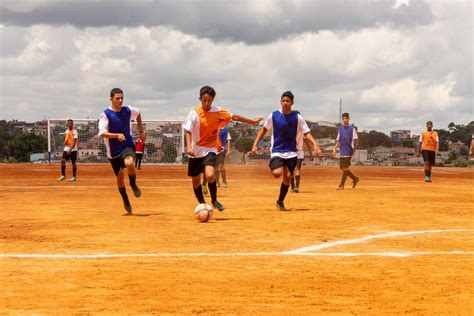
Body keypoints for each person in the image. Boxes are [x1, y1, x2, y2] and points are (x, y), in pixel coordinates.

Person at [183, 85, 262, 211]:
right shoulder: (194, 114)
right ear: (199, 99)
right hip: (195, 150)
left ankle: (214, 200)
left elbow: (234, 117)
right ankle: (202, 204)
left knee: (210, 175)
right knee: (196, 180)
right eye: (204, 100)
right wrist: (189, 148)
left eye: (210, 100)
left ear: (213, 100)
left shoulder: (218, 111)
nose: (207, 103)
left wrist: (252, 121)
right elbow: (188, 132)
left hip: (210, 149)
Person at [252, 91, 321, 211]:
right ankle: (276, 165)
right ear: (280, 102)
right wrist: (255, 144)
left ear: (292, 103)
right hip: (277, 151)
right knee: (277, 174)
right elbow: (263, 130)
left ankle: (280, 201)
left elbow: (306, 132)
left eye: (287, 101)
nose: (285, 103)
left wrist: (315, 144)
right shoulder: (273, 115)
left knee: (288, 177)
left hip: (291, 152)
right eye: (283, 101)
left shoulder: (297, 117)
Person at [98, 88, 145, 214]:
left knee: (130, 163)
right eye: (117, 98)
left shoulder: (128, 110)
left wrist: (141, 131)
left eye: (122, 98)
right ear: (111, 99)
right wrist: (116, 135)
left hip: (127, 145)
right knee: (119, 177)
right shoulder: (106, 114)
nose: (120, 100)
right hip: (113, 152)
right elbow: (102, 133)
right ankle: (125, 199)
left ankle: (133, 183)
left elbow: (139, 113)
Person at [332, 113, 359, 190]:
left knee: (345, 167)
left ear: (348, 119)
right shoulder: (340, 129)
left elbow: (355, 140)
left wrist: (354, 149)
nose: (344, 120)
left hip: (348, 150)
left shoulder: (352, 129)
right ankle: (355, 178)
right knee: (342, 167)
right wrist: (334, 149)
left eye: (346, 118)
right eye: (343, 118)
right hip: (342, 150)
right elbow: (338, 140)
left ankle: (341, 185)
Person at [202, 125, 232, 194]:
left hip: (221, 150)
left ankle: (224, 181)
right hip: (213, 150)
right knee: (215, 166)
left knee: (221, 165)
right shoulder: (212, 128)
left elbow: (228, 140)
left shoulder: (225, 130)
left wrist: (228, 150)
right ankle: (217, 182)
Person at [290, 111, 313, 193]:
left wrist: (310, 151)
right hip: (290, 151)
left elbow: (306, 140)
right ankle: (292, 186)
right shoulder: (289, 127)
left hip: (299, 152)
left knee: (297, 168)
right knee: (291, 170)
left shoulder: (303, 129)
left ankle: (297, 187)